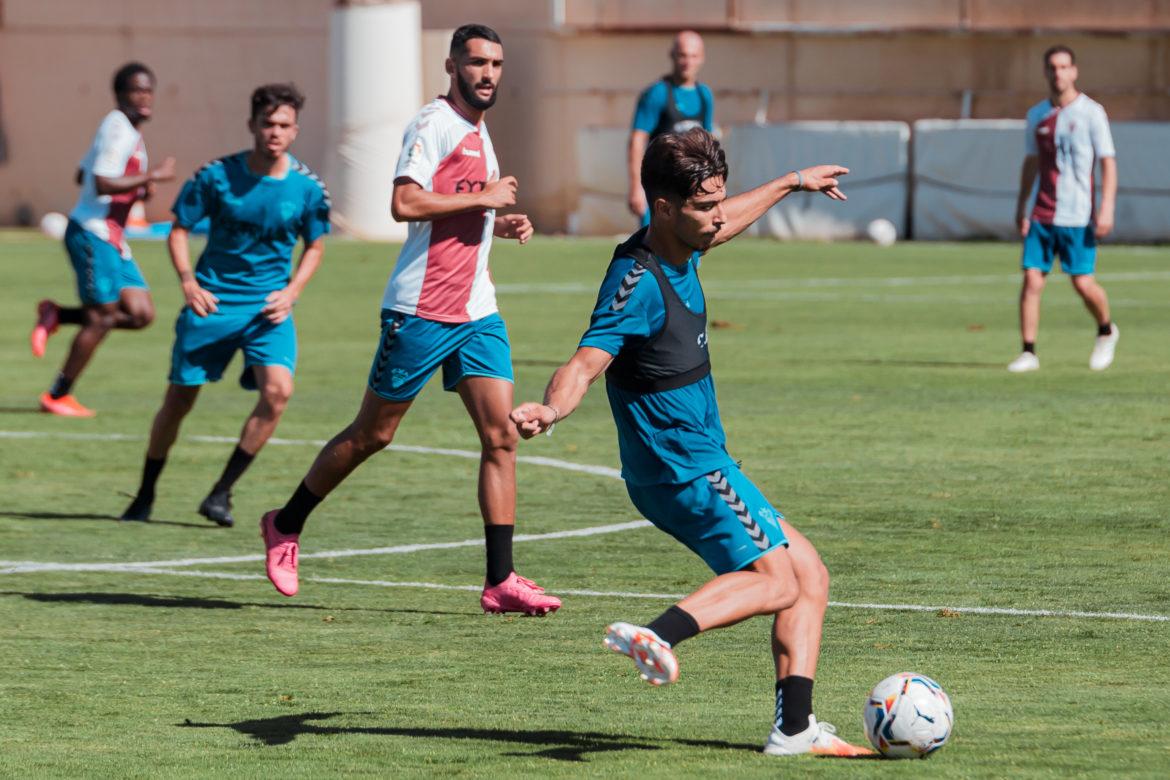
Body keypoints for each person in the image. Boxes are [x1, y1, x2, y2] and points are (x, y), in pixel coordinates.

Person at [511, 129, 870, 756]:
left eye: (718, 200)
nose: (717, 216)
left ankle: (794, 730)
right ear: (664, 207)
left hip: (698, 461)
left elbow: (725, 224)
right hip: (684, 468)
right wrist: (551, 407)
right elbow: (586, 361)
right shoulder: (638, 282)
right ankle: (657, 634)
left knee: (809, 575)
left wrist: (790, 182)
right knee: (777, 580)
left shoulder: (683, 244)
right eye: (704, 205)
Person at [257, 24, 561, 616]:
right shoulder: (433, 124)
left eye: (496, 64)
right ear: (451, 66)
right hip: (421, 308)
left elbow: (461, 208)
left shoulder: (478, 129)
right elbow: (403, 203)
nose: (488, 73)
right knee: (374, 433)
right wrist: (484, 201)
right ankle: (285, 523)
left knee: (501, 436)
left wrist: (499, 222)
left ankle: (501, 580)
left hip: (476, 311)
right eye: (476, 62)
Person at [120, 84, 330, 526]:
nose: (275, 132)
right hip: (211, 305)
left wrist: (292, 292)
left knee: (278, 393)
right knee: (178, 402)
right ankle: (144, 494)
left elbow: (315, 245)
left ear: (296, 130)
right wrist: (188, 282)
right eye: (267, 123)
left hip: (268, 310)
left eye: (284, 125)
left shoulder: (308, 188)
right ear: (252, 124)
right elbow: (179, 229)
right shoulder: (216, 176)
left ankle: (220, 494)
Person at [30, 62, 176, 417]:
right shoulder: (119, 129)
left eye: (149, 90)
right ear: (120, 95)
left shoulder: (124, 130)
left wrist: (138, 184)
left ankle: (58, 314)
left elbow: (82, 174)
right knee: (101, 318)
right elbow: (100, 182)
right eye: (136, 90)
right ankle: (57, 395)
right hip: (93, 234)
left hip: (111, 238)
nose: (144, 96)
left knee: (140, 314)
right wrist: (150, 176)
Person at [1008, 44, 1119, 373]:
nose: (1058, 73)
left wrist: (1107, 207)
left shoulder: (1091, 113)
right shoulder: (1036, 115)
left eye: (1064, 67)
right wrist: (1021, 205)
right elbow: (1031, 162)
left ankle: (1106, 330)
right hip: (1042, 212)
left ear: (1074, 71)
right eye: (1052, 68)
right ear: (1046, 72)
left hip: (1078, 213)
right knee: (1032, 280)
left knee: (1082, 283)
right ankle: (1029, 352)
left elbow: (1107, 163)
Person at [627, 31, 714, 226]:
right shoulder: (657, 94)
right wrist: (636, 187)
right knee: (654, 251)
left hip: (691, 189)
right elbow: (636, 140)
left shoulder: (704, 95)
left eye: (693, 56)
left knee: (692, 250)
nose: (687, 61)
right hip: (660, 190)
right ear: (672, 56)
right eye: (682, 55)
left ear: (701, 58)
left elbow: (708, 145)